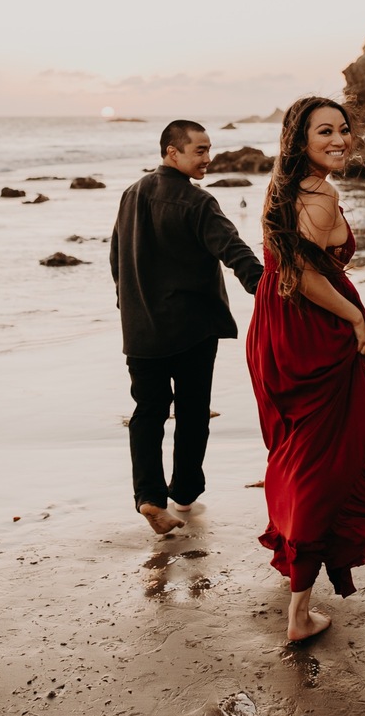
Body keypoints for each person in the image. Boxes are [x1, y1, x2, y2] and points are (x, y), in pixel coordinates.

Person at [246, 96, 365, 642]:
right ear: (300, 139)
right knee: (326, 461)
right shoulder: (320, 195)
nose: (340, 140)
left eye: (344, 130)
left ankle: (295, 557)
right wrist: (356, 319)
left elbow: (285, 269)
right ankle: (299, 611)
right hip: (310, 336)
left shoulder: (285, 186)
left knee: (301, 452)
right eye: (326, 131)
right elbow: (300, 274)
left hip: (276, 332)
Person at [110, 119, 264, 536]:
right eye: (199, 150)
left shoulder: (131, 194)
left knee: (148, 413)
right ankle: (184, 492)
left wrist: (129, 307)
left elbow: (116, 259)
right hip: (191, 329)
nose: (207, 158)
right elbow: (234, 251)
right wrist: (268, 289)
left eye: (209, 149)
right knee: (193, 413)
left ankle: (148, 497)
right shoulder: (198, 203)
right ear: (171, 152)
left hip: (141, 330)